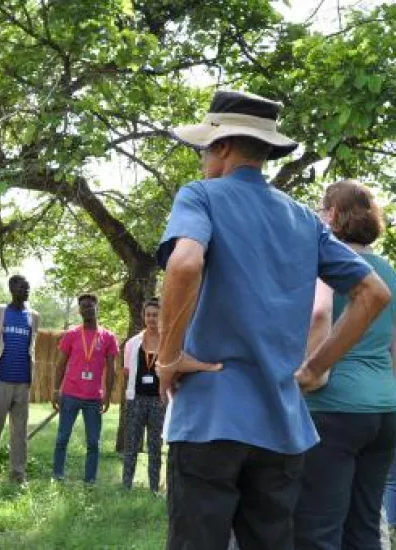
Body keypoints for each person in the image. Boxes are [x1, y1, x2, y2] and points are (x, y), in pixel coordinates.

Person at [156, 90, 390, 550]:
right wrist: (315, 367)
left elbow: (184, 264)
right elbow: (373, 294)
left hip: (210, 417)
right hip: (283, 425)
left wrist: (169, 358)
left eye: (205, 147)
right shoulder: (304, 219)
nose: (203, 157)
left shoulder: (200, 196)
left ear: (222, 147)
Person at [294, 180, 396, 548]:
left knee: (320, 531)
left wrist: (311, 372)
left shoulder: (330, 261)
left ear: (333, 214)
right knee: (365, 528)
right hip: (385, 411)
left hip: (335, 409)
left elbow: (320, 312)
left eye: (322, 209)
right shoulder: (388, 270)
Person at [0, 274, 41, 487]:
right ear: (12, 288)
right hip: (1, 381)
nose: (26, 290)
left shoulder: (34, 316)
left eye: (28, 287)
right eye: (23, 287)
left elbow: (31, 347)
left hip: (23, 382)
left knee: (19, 434)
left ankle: (18, 477)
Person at [51, 293, 119, 484]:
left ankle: (89, 480)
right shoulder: (71, 334)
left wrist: (107, 395)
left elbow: (112, 369)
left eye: (90, 306)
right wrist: (56, 391)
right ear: (79, 310)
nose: (86, 309)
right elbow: (60, 364)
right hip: (70, 394)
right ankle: (57, 476)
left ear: (97, 308)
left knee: (93, 443)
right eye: (83, 306)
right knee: (62, 438)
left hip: (94, 398)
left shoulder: (108, 337)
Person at [122, 297, 165, 493]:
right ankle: (126, 486)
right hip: (136, 400)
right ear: (143, 316)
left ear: (161, 316)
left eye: (155, 315)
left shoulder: (168, 342)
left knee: (155, 446)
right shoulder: (132, 343)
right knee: (131, 444)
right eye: (148, 315)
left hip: (159, 400)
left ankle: (154, 488)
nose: (152, 318)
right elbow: (127, 372)